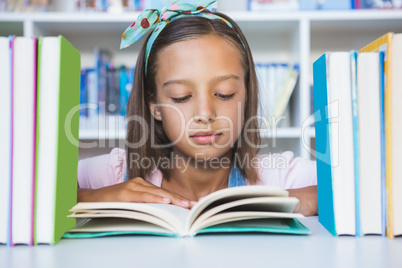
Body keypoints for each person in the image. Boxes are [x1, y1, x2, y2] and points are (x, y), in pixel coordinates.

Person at [77, 0, 318, 216]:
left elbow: (354, 183)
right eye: (181, 97)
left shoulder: (276, 174)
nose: (205, 113)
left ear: (247, 93)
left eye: (224, 93)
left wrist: (307, 200)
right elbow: (40, 188)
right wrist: (91, 198)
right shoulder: (117, 172)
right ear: (154, 105)